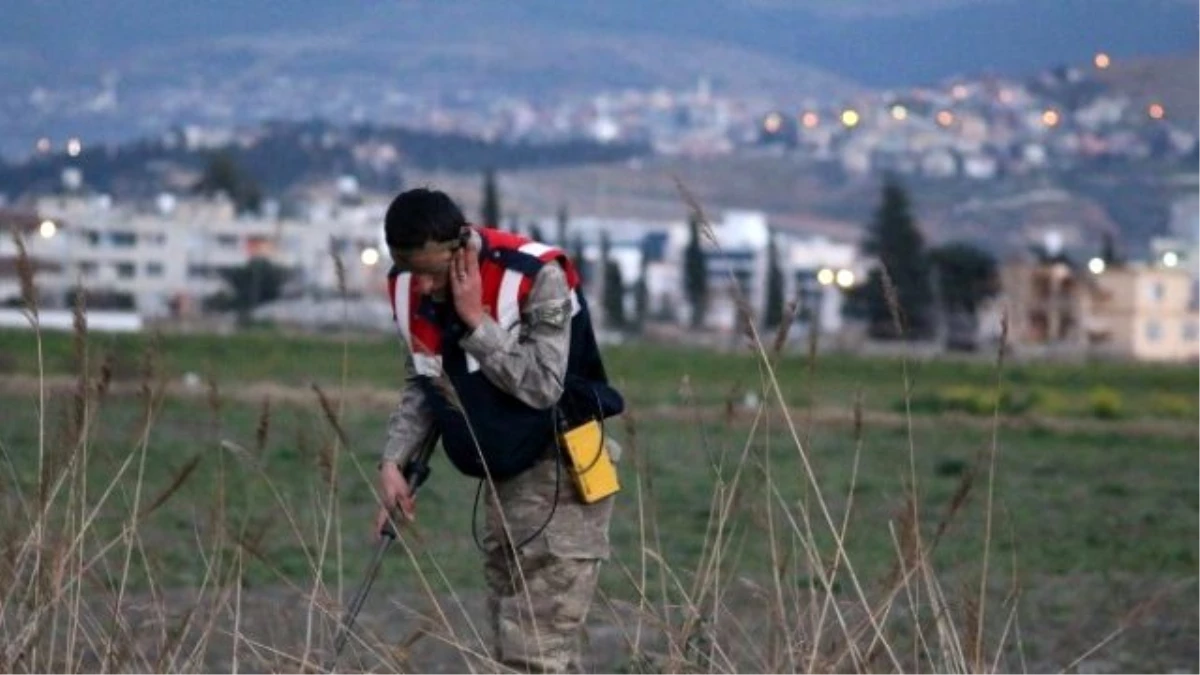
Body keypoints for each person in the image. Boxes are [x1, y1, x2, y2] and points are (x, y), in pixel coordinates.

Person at [375, 187, 623, 672]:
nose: (421, 286)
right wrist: (393, 460)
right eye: (410, 272)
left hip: (565, 475)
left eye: (431, 271)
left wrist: (476, 322)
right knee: (530, 651)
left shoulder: (534, 277)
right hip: (503, 486)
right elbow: (424, 377)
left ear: (460, 244)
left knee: (532, 657)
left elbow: (544, 385)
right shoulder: (409, 288)